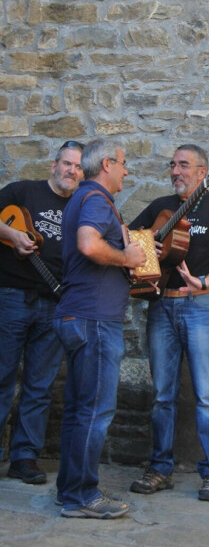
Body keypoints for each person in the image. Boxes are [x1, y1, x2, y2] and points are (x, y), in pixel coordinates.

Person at [129, 144, 209, 502]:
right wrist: (146, 257)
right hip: (161, 306)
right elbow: (131, 238)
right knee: (162, 395)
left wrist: (206, 281)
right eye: (172, 165)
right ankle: (159, 468)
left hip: (201, 306)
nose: (175, 171)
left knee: (207, 395)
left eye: (183, 165)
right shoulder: (160, 207)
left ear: (203, 173)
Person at [54, 138, 146, 519]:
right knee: (95, 411)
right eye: (123, 163)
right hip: (93, 320)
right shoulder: (95, 199)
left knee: (80, 409)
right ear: (107, 164)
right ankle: (82, 496)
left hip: (79, 316)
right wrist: (126, 256)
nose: (126, 170)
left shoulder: (83, 198)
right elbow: (89, 245)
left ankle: (69, 490)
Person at [0, 140, 84, 485]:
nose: (71, 171)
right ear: (54, 165)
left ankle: (24, 457)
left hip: (54, 303)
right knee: (2, 377)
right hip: (12, 298)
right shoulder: (22, 191)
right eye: (67, 163)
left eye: (78, 167)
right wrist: (13, 235)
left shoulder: (81, 206)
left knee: (39, 385)